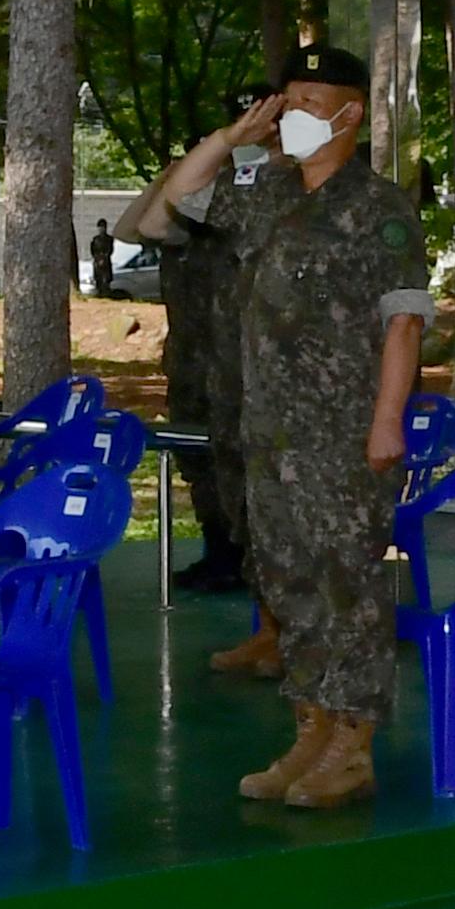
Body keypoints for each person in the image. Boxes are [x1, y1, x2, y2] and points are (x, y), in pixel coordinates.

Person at [129, 43, 431, 810]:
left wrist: (387, 421)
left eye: (305, 102)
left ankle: (353, 747)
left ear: (350, 113)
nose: (290, 115)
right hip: (270, 433)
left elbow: (402, 325)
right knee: (290, 584)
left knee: (348, 589)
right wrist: (230, 140)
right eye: (285, 100)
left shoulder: (380, 208)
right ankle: (310, 731)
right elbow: (168, 208)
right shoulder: (266, 195)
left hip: (344, 434)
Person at [160, 80, 269, 594]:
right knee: (215, 475)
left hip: (279, 377)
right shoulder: (235, 192)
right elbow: (153, 218)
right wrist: (218, 147)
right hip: (210, 366)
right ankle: (229, 562)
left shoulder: (296, 193)